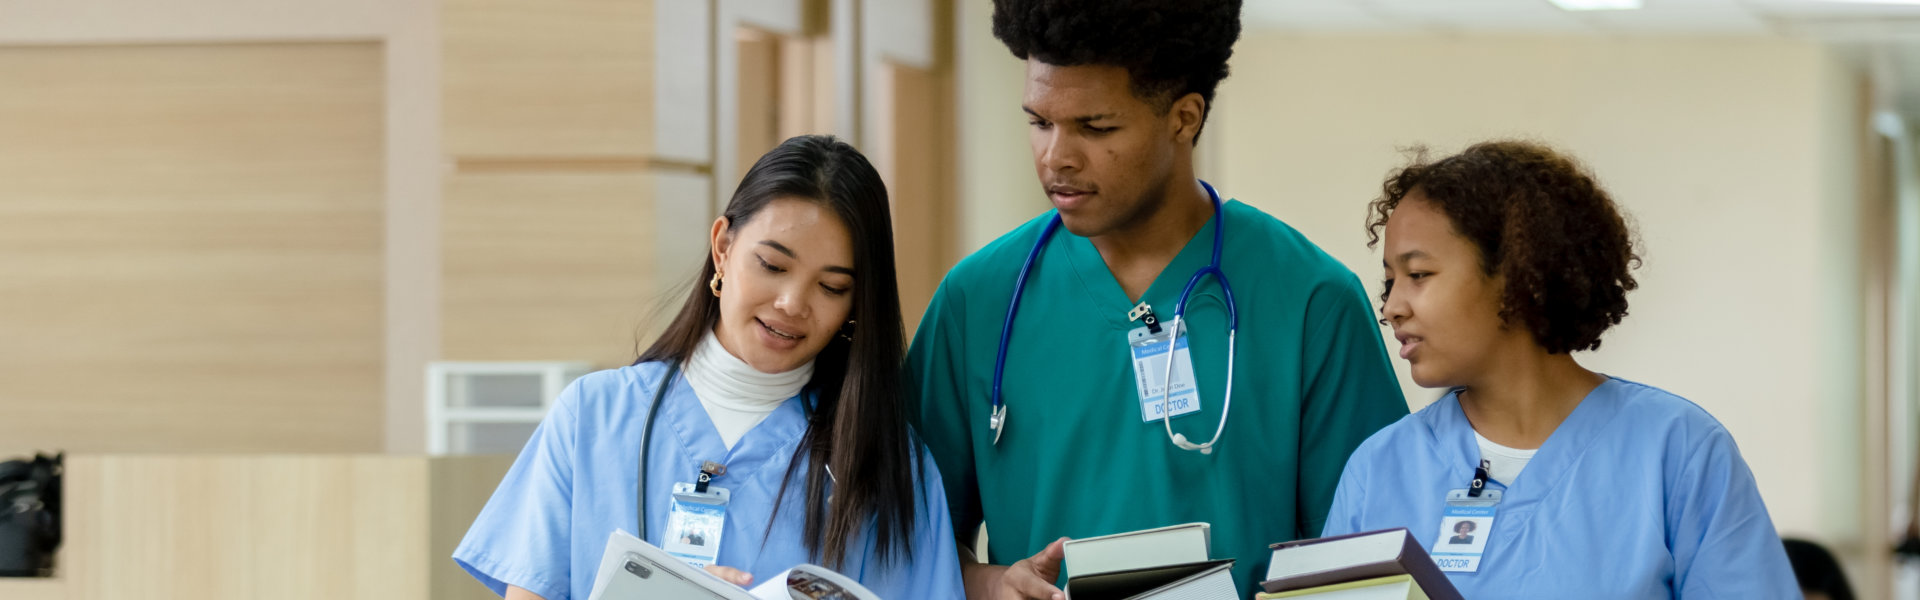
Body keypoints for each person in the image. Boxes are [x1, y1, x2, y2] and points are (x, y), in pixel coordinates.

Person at [905, 1, 1407, 597]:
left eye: (1096, 127)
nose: (1055, 156)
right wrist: (991, 585)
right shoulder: (977, 301)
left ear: (1184, 118)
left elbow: (1369, 560)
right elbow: (902, 540)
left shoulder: (1310, 301)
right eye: (1039, 122)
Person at [454, 135, 964, 599]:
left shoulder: (893, 466)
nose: (791, 302)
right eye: (773, 265)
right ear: (723, 247)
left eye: (831, 287)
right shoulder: (591, 417)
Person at [1321, 140, 1798, 598]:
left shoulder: (1678, 450)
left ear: (1516, 274)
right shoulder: (1379, 469)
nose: (1392, 307)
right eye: (1389, 282)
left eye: (1418, 275)